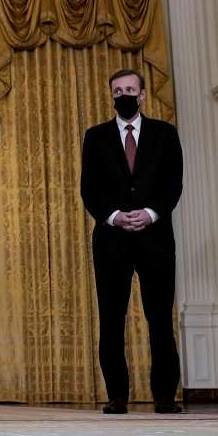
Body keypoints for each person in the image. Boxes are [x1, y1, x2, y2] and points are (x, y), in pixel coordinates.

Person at [80, 68, 184, 414]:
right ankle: (117, 396)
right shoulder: (95, 137)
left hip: (155, 240)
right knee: (111, 320)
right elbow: (89, 190)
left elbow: (173, 185)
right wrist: (114, 216)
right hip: (111, 241)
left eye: (129, 89)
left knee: (159, 319)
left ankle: (165, 397)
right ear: (111, 95)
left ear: (142, 95)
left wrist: (151, 213)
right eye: (117, 90)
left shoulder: (165, 134)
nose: (123, 94)